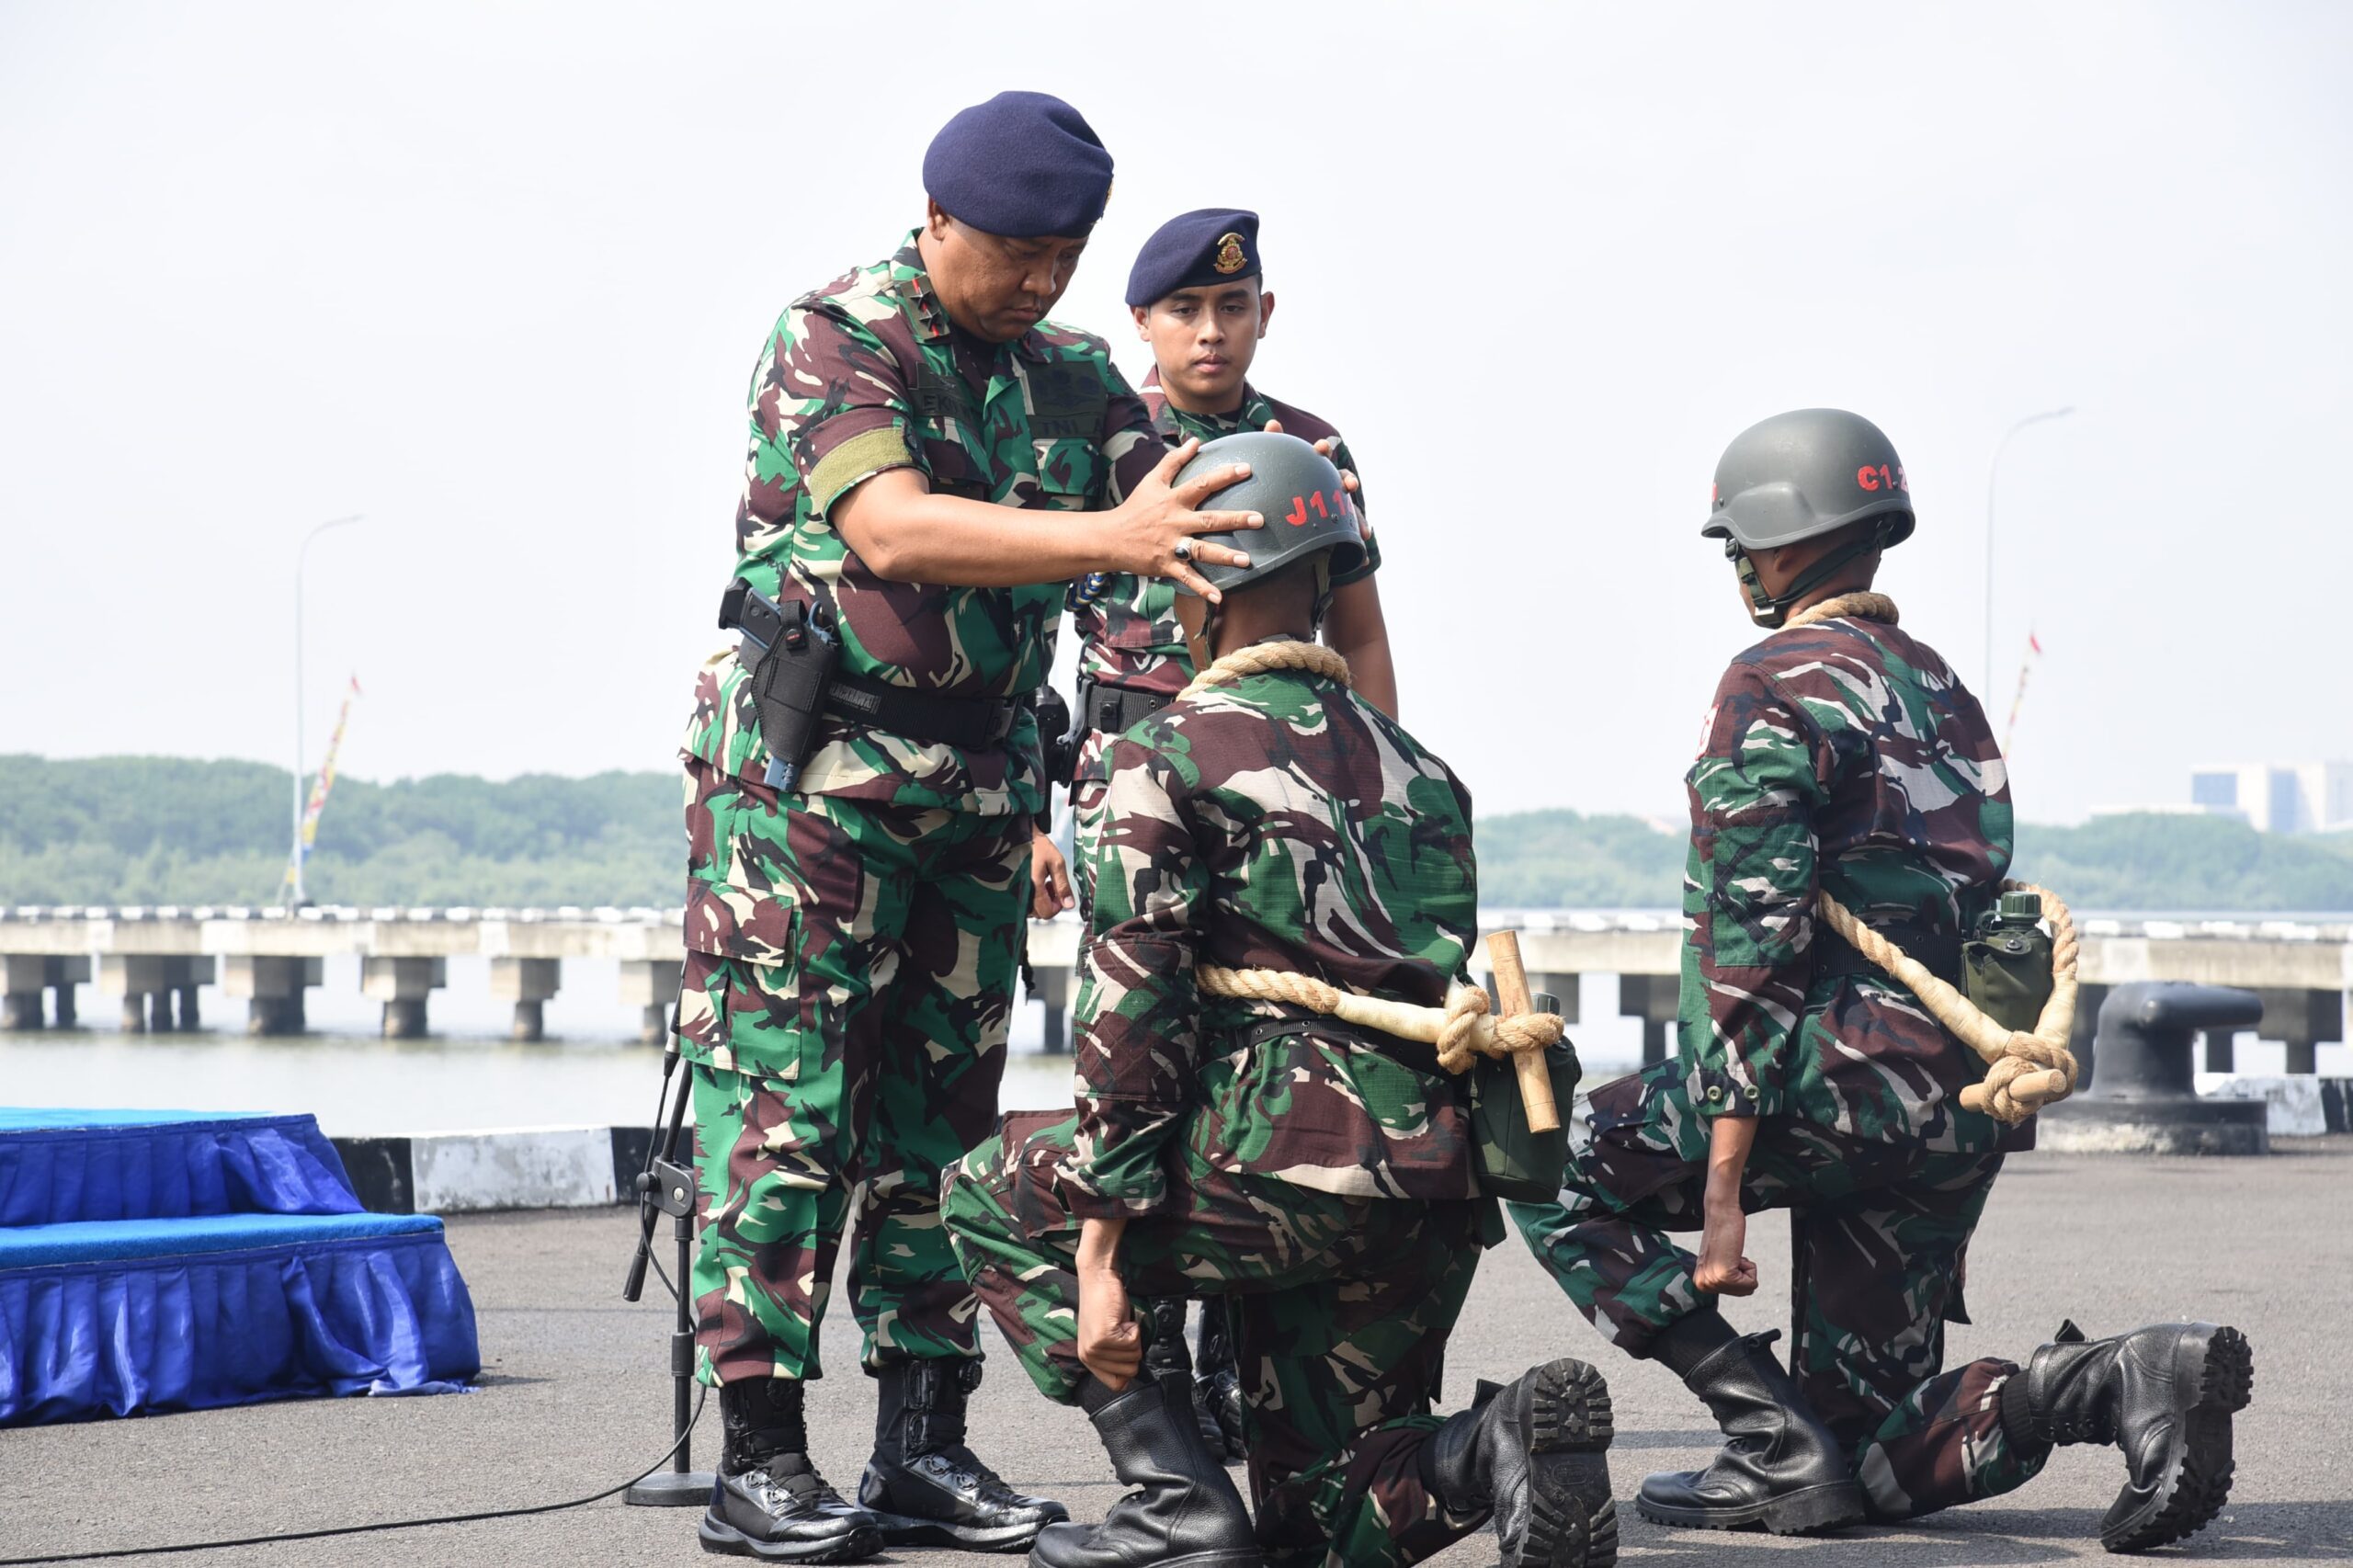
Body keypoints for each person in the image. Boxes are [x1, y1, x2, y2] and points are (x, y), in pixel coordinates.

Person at [675, 91, 1266, 1562]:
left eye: (1065, 256)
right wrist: (1111, 542)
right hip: (808, 794)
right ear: (938, 221)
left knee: (940, 1129)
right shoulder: (836, 336)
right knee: (792, 1115)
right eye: (1014, 252)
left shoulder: (1071, 377)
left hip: (980, 790)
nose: (1042, 282)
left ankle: (922, 1446)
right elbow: (891, 527)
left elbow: (1182, 499)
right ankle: (760, 1455)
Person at [1509, 409, 2252, 1552]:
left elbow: (1747, 941)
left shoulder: (1768, 681)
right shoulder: (1944, 687)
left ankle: (1764, 1435)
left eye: (1738, 544)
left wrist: (1721, 1180)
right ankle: (2108, 1379)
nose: (1736, 566)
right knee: (1857, 1458)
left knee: (1544, 1157)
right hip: (1952, 1099)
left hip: (1829, 1077)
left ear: (1776, 538)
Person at [942, 432, 1617, 1568]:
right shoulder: (1426, 774)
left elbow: (1131, 1022)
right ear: (1325, 576)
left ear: (1196, 586)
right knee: (1319, 1514)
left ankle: (1172, 1500)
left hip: (1268, 1167)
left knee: (986, 1190)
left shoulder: (1158, 756)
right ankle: (1484, 1449)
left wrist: (1100, 1253)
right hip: (1424, 1185)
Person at [1040, 210, 1398, 1450]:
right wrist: (1043, 815)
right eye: (1185, 311)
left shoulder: (1312, 447)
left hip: (1279, 796)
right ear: (1143, 323)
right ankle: (1163, 1353)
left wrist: (1372, 794)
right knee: (1143, 1055)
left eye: (1230, 309)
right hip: (1133, 787)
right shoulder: (1105, 441)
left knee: (1266, 1059)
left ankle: (1248, 1354)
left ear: (1264, 316)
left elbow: (1358, 634)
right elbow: (1031, 623)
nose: (1209, 330)